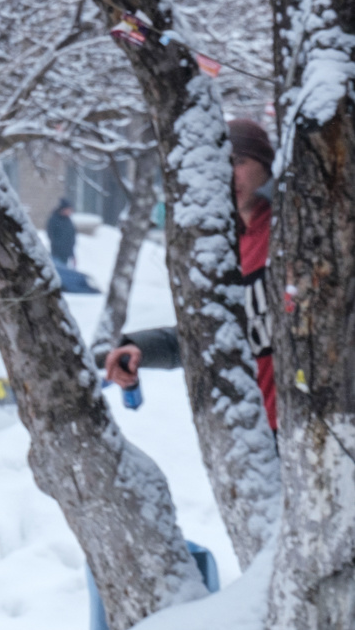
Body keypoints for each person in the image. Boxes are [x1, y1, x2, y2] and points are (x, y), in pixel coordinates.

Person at [102, 118, 277, 429]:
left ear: (265, 164)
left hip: (314, 425)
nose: (227, 173)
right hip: (252, 430)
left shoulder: (293, 233)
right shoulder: (221, 246)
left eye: (238, 161)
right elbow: (208, 333)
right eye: (218, 162)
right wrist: (140, 347)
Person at [45, 197, 77, 267]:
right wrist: (59, 247)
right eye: (69, 209)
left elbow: (71, 238)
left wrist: (72, 254)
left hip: (66, 256)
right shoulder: (54, 220)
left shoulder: (68, 221)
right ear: (63, 209)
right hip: (57, 255)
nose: (70, 212)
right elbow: (51, 235)